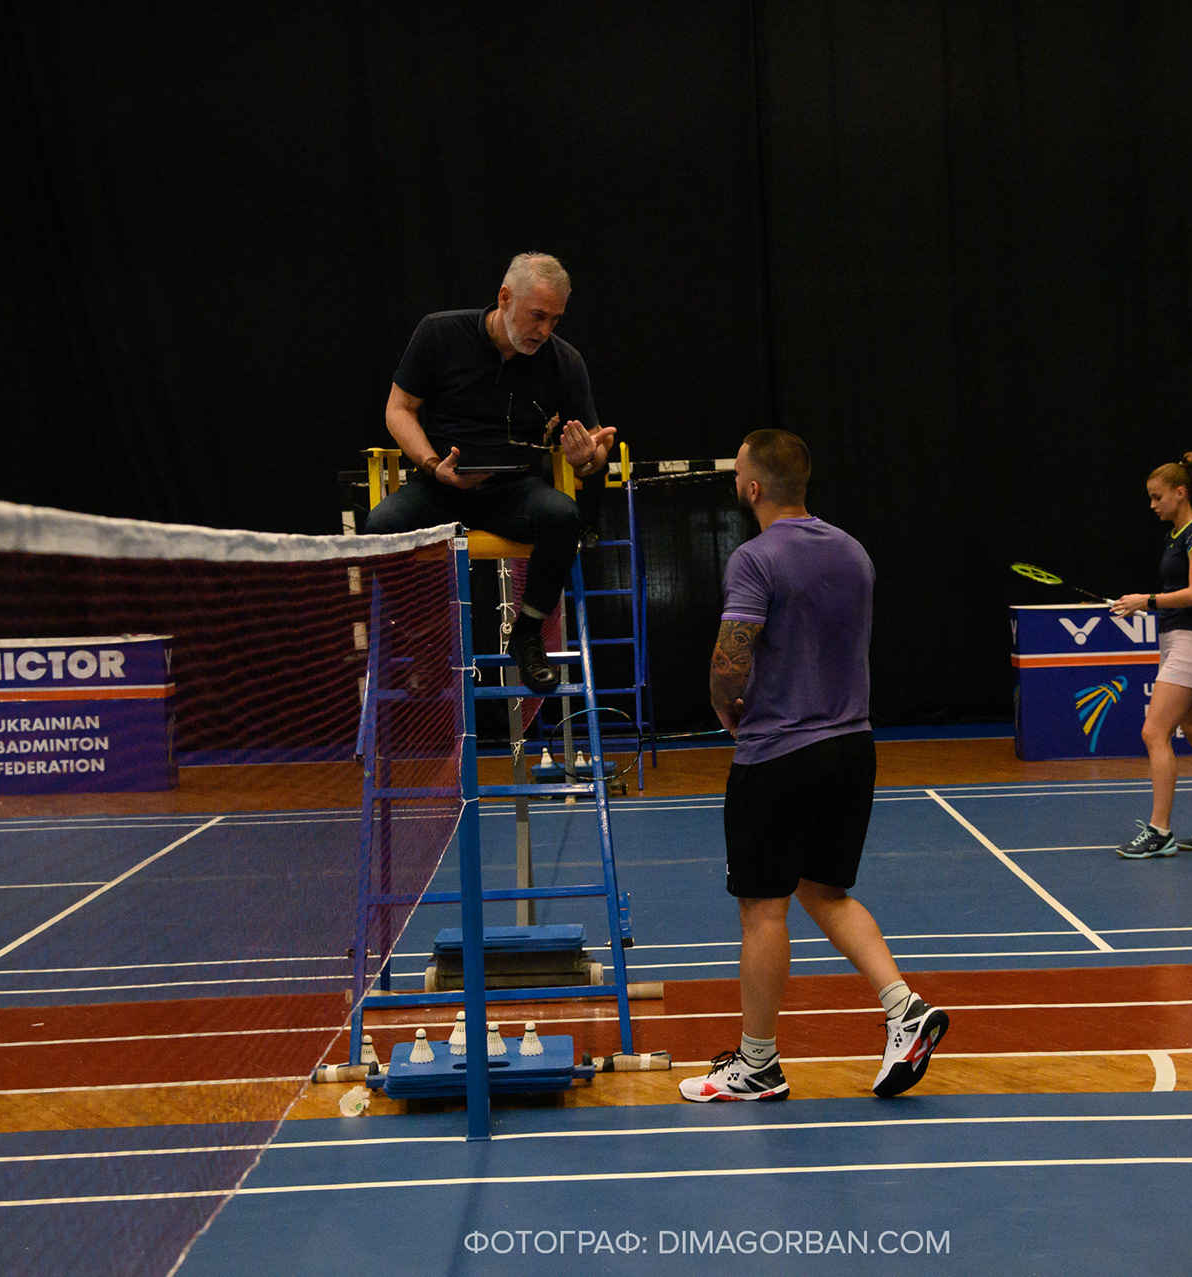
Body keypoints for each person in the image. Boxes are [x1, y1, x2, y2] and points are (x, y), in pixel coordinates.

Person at [679, 430, 948, 1103]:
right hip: (852, 749)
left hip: (780, 753)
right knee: (824, 892)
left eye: (738, 472)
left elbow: (730, 656)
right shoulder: (853, 551)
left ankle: (758, 1064)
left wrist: (724, 704)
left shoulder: (755, 557)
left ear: (753, 487)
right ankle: (904, 1007)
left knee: (762, 910)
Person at [362, 252, 617, 693]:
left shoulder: (564, 360)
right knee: (379, 529)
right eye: (537, 316)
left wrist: (589, 458)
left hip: (512, 490)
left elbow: (595, 447)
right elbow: (398, 409)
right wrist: (432, 465)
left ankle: (527, 634)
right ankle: (424, 639)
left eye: (555, 319)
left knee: (563, 516)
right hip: (440, 483)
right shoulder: (439, 332)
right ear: (504, 298)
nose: (545, 330)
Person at [1109, 453, 1192, 860]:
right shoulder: (1176, 535)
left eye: (1157, 496)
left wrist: (1145, 600)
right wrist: (1140, 604)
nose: (1152, 504)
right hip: (1176, 641)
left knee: (1153, 733)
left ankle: (1159, 831)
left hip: (1190, 644)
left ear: (1180, 493)